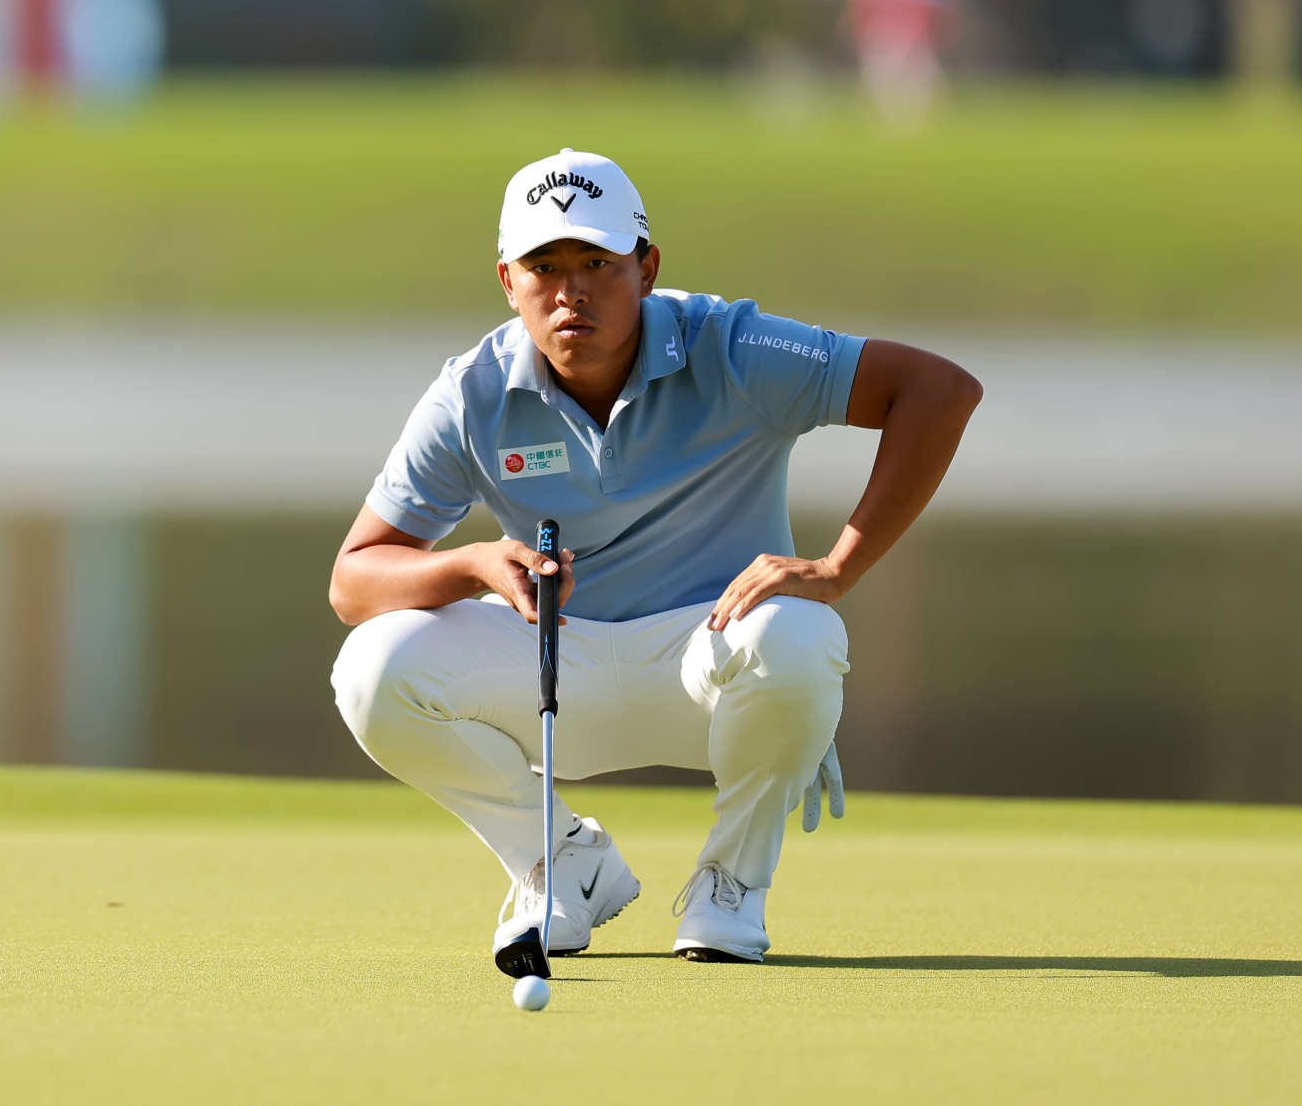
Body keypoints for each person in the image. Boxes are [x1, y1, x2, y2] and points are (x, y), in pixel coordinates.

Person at [327, 148, 981, 967]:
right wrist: (475, 566)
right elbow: (354, 579)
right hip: (553, 675)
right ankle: (558, 863)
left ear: (647, 267)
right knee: (371, 668)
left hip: (717, 664)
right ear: (507, 279)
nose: (571, 290)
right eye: (545, 265)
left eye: (598, 262)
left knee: (800, 633)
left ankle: (730, 886)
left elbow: (937, 391)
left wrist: (836, 568)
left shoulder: (731, 346)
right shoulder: (474, 392)